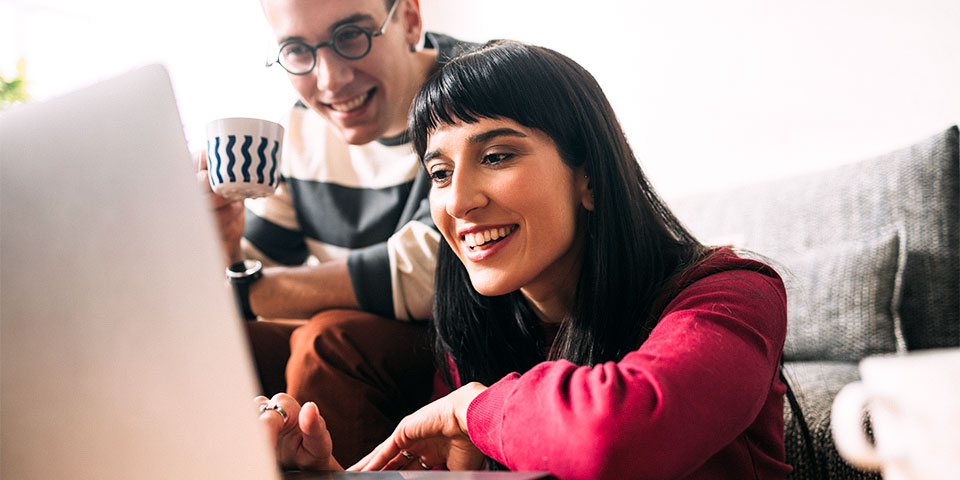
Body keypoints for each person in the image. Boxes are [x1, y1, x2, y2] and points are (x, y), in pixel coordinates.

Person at [255, 40, 792, 479]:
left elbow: (611, 440)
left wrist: (473, 408)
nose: (459, 200)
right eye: (439, 173)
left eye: (496, 156)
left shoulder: (733, 293)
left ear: (589, 177)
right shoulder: (479, 326)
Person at [197, 0, 477, 466]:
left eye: (351, 36)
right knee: (229, 343)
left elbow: (429, 273)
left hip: (455, 341)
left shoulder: (469, 90)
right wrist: (227, 246)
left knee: (326, 342)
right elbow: (259, 268)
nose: (328, 80)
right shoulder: (302, 126)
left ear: (409, 18)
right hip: (366, 344)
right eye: (297, 51)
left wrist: (249, 291)